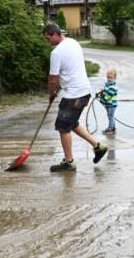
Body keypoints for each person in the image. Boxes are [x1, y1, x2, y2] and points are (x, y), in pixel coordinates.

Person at [43, 22, 108, 172]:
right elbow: (69, 69)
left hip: (74, 94)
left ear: (55, 34)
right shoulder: (73, 42)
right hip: (84, 91)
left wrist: (51, 94)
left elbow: (53, 78)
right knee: (71, 122)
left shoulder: (56, 53)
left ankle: (69, 161)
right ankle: (98, 146)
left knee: (63, 127)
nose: (48, 42)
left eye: (48, 38)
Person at [97, 67, 118, 134]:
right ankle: (113, 127)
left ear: (115, 77)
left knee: (110, 116)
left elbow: (108, 96)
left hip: (112, 104)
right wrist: (101, 91)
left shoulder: (113, 86)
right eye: (108, 77)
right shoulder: (108, 84)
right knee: (110, 116)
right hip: (108, 104)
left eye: (111, 77)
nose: (109, 78)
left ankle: (110, 128)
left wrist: (102, 97)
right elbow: (105, 90)